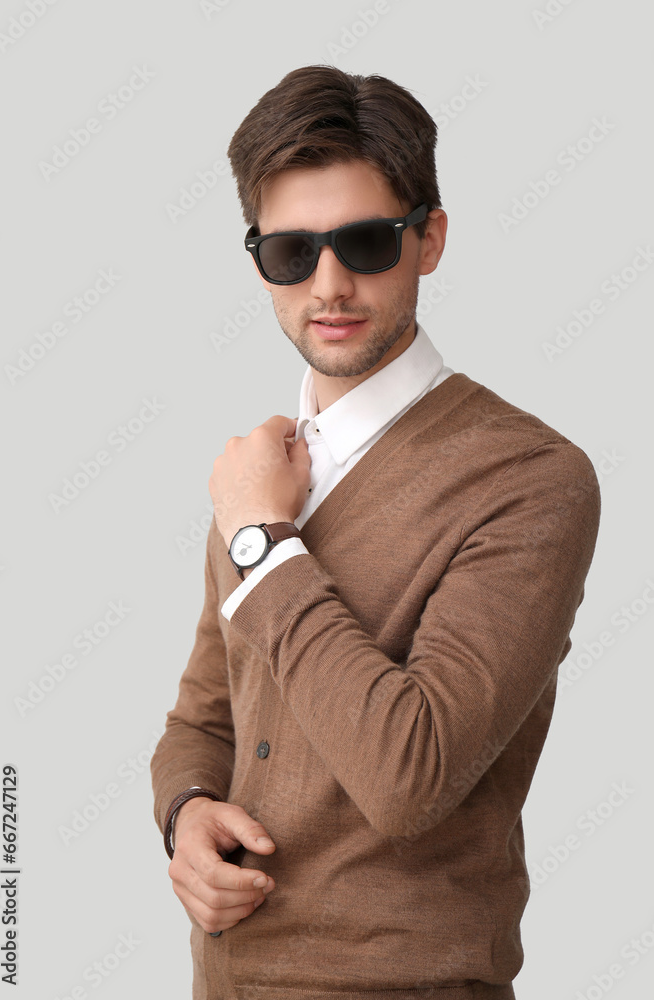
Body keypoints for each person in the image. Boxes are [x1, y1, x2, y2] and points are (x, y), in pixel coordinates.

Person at [150, 65, 601, 999]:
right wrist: (186, 811)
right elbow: (204, 716)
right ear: (256, 261)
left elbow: (410, 776)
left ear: (428, 238)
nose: (330, 284)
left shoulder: (528, 480)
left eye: (364, 241)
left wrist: (261, 541)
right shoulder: (261, 477)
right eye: (290, 252)